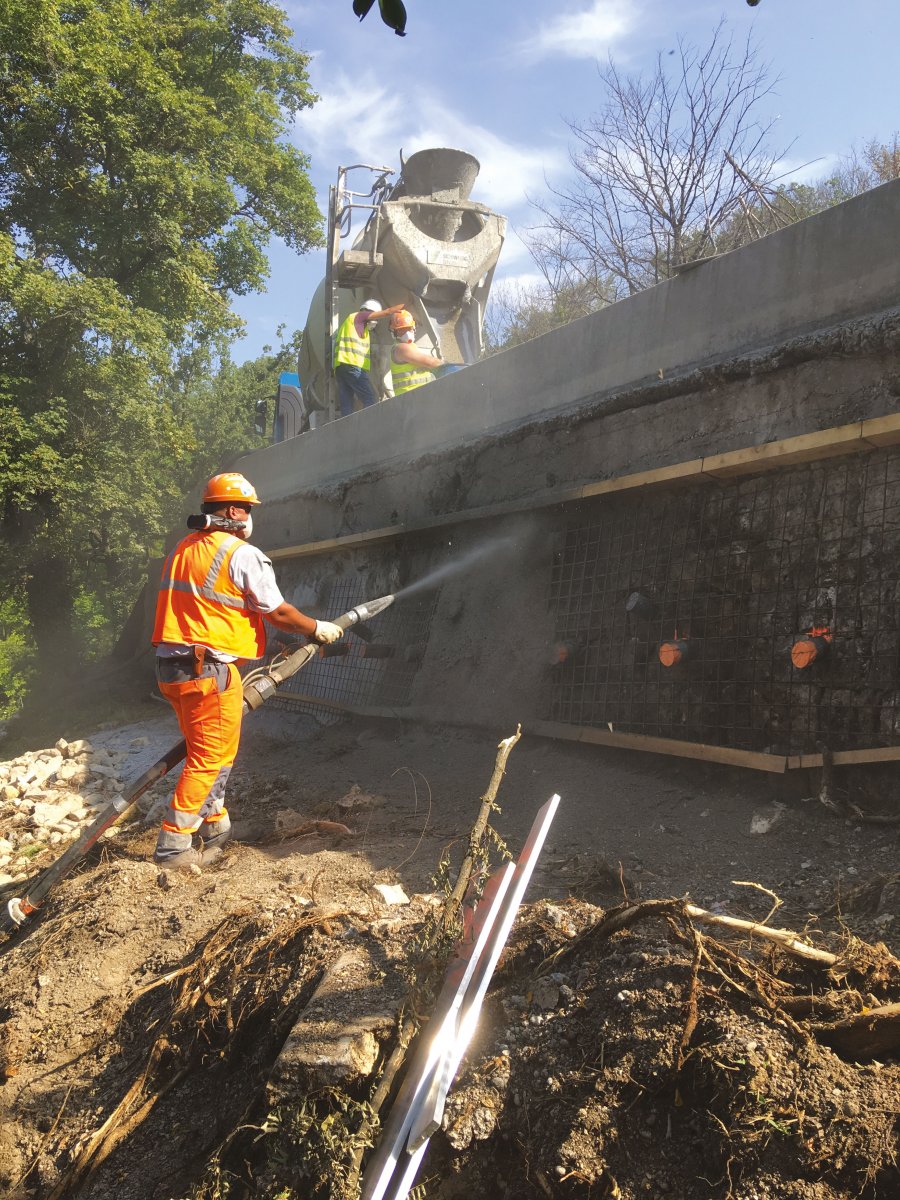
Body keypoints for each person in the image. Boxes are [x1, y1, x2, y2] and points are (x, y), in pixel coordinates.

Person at [151, 471, 344, 870]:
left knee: (216, 751)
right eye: (250, 509)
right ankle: (173, 848)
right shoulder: (241, 554)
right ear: (235, 510)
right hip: (208, 673)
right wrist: (316, 628)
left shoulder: (185, 548)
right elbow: (279, 612)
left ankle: (215, 826)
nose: (252, 517)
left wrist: (263, 642)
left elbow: (208, 613)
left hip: (175, 669)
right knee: (208, 758)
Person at [333, 298, 405, 417]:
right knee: (370, 399)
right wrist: (404, 306)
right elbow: (387, 312)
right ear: (370, 312)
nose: (375, 321)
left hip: (341, 367)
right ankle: (372, 426)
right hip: (352, 366)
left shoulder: (355, 323)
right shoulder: (360, 316)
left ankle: (346, 430)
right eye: (375, 318)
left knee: (347, 403)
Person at [389, 309, 444, 395]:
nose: (406, 333)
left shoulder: (411, 346)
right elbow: (431, 362)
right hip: (411, 397)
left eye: (409, 329)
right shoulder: (401, 348)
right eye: (401, 330)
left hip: (418, 395)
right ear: (394, 333)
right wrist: (450, 367)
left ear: (414, 328)